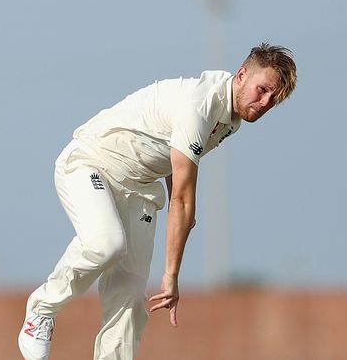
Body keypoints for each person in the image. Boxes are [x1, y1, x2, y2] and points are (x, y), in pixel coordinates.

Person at [18, 43, 298, 360]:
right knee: (106, 243)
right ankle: (41, 310)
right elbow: (180, 198)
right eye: (262, 90)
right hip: (91, 162)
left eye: (273, 100)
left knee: (131, 295)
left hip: (138, 187)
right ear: (242, 74)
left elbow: (173, 161)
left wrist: (185, 215)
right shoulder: (201, 104)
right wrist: (171, 275)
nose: (263, 103)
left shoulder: (230, 120)